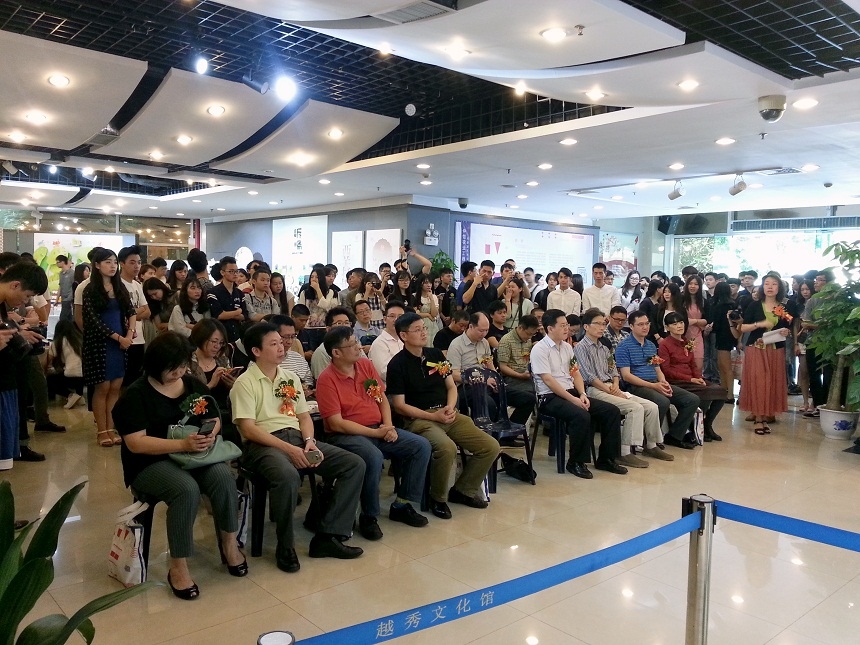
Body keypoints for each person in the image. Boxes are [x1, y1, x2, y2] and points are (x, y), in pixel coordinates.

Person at [113, 332, 246, 599]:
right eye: (172, 368)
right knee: (186, 490)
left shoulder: (193, 385)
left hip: (193, 454)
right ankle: (178, 565)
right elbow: (136, 443)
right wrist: (182, 444)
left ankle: (229, 544)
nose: (179, 372)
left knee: (223, 476)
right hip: (150, 462)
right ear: (155, 366)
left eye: (183, 366)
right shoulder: (136, 395)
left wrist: (209, 434)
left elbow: (213, 418)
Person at [231, 323, 365, 573]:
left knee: (353, 464)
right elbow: (248, 429)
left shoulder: (289, 377)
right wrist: (290, 450)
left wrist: (309, 441)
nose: (282, 347)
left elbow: (304, 417)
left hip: (298, 439)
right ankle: (286, 546)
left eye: (281, 342)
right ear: (256, 351)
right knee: (288, 476)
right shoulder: (245, 383)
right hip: (263, 444)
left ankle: (328, 535)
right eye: (273, 344)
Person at [317, 326, 431, 540]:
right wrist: (378, 433)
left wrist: (388, 426)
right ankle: (369, 516)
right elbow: (336, 423)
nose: (358, 347)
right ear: (336, 352)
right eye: (352, 344)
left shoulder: (365, 365)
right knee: (373, 456)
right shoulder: (326, 379)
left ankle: (402, 504)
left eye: (356, 342)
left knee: (420, 446)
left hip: (377, 428)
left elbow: (381, 399)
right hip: (347, 435)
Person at [387, 312, 500, 519]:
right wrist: (434, 417)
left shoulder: (435, 355)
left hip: (447, 413)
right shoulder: (397, 364)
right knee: (446, 448)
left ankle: (463, 490)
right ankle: (437, 498)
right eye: (417, 330)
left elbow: (451, 386)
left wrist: (449, 407)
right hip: (420, 420)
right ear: (403, 335)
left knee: (490, 446)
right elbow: (400, 406)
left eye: (424, 328)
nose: (424, 332)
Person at [530, 309, 626, 478]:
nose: (566, 328)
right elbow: (548, 381)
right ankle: (576, 462)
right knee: (581, 415)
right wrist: (574, 400)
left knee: (611, 411)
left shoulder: (567, 347)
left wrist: (582, 394)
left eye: (567, 325)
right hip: (549, 397)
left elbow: (576, 373)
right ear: (550, 328)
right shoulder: (539, 349)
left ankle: (606, 459)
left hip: (572, 392)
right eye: (562, 325)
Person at [576, 308, 672, 466]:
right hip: (595, 390)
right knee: (635, 408)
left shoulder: (604, 347)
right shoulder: (581, 348)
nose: (602, 327)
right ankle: (624, 452)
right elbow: (588, 376)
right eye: (597, 324)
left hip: (612, 387)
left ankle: (651, 445)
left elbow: (614, 370)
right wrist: (610, 390)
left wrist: (615, 385)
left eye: (603, 324)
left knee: (652, 407)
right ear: (586, 327)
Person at [615, 310, 700, 450]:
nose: (645, 327)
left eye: (647, 323)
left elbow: (658, 369)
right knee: (662, 401)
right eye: (640, 324)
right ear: (631, 326)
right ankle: (650, 440)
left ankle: (675, 436)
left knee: (692, 399)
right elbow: (626, 376)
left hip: (655, 383)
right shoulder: (624, 346)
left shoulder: (650, 345)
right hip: (636, 386)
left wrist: (663, 382)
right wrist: (654, 386)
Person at [82, 248, 136, 447]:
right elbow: (94, 322)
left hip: (121, 342)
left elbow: (131, 312)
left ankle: (111, 429)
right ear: (97, 265)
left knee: (115, 387)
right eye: (107, 262)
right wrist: (119, 338)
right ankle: (101, 431)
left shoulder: (120, 287)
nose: (112, 266)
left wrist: (129, 334)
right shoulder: (90, 290)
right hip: (99, 343)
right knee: (102, 387)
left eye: (114, 262)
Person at [0, 261, 49, 469]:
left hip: (7, 379)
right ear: (15, 285)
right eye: (27, 296)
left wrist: (19, 333)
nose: (26, 301)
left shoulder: (4, 307)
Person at [736, 273, 791, 434]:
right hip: (756, 348)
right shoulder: (754, 305)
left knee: (772, 382)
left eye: (774, 284)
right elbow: (742, 327)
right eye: (767, 283)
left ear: (779, 288)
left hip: (775, 349)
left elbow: (788, 324)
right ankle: (759, 418)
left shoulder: (783, 307)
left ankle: (767, 414)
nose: (770, 287)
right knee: (759, 382)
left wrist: (786, 331)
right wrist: (759, 324)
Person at [658, 311, 726, 441]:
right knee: (706, 392)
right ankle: (696, 426)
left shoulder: (686, 341)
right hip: (677, 380)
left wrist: (698, 378)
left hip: (692, 379)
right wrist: (691, 379)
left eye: (681, 322)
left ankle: (707, 424)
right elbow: (666, 370)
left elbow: (693, 364)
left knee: (722, 392)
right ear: (667, 327)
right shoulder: (664, 344)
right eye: (674, 324)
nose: (679, 326)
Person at [496, 314, 539, 425]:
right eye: (529, 334)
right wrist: (520, 375)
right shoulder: (506, 341)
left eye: (533, 334)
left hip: (526, 375)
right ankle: (515, 425)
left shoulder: (527, 340)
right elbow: (503, 367)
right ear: (520, 328)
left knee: (545, 389)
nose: (530, 337)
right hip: (512, 378)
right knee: (532, 394)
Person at [118, 245, 149, 384]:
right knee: (122, 381)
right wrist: (137, 311)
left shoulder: (137, 285)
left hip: (139, 339)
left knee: (136, 379)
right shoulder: (117, 285)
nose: (137, 266)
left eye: (139, 262)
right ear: (122, 263)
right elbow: (121, 314)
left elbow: (147, 311)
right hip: (124, 338)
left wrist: (131, 313)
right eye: (132, 262)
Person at [710, 282, 742, 404]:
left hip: (722, 337)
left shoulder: (718, 306)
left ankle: (729, 394)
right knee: (723, 365)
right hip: (730, 335)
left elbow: (716, 324)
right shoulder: (733, 304)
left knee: (725, 367)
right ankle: (725, 391)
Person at [270, 315, 314, 398]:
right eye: (286, 337)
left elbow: (309, 381)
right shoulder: (263, 360)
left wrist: (305, 388)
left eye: (293, 336)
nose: (290, 341)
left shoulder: (298, 358)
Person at [207, 256, 248, 343]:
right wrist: (237, 312)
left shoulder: (240, 293)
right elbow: (219, 315)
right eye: (231, 271)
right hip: (220, 335)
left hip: (237, 335)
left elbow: (244, 316)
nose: (235, 274)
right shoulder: (213, 292)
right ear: (222, 272)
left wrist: (228, 314)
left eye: (236, 271)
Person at [49, 319, 85, 409]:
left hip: (71, 376)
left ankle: (70, 395)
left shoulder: (58, 342)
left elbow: (48, 360)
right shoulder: (80, 340)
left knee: (49, 380)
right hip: (85, 376)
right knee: (78, 368)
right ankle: (80, 395)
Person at [310, 307, 354, 379]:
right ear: (328, 329)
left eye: (347, 323)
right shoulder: (321, 352)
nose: (344, 327)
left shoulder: (355, 345)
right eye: (339, 323)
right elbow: (323, 381)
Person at [369, 301, 405, 384]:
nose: (396, 320)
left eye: (400, 316)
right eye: (392, 316)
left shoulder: (405, 339)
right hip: (390, 388)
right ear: (385, 319)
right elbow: (384, 373)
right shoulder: (379, 343)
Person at [794, 279, 816, 414]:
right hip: (802, 340)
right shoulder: (799, 306)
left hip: (815, 340)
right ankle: (805, 401)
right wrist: (795, 343)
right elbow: (796, 325)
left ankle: (815, 402)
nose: (805, 292)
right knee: (803, 371)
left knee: (814, 372)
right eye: (802, 290)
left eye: (807, 289)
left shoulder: (817, 303)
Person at [298, 266, 339, 331]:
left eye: (317, 277)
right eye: (312, 277)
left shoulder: (330, 292)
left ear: (322, 279)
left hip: (325, 328)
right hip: (308, 328)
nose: (314, 279)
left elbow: (326, 307)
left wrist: (318, 289)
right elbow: (301, 310)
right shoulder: (304, 293)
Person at [682, 275, 708, 372]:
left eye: (696, 284)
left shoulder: (704, 302)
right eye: (690, 284)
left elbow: (706, 320)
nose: (693, 286)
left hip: (697, 335)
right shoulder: (681, 300)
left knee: (698, 365)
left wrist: (694, 321)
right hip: (682, 335)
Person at [412, 273, 440, 346]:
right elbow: (416, 314)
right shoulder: (414, 296)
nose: (429, 285)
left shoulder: (434, 297)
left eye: (430, 283)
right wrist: (427, 315)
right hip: (420, 325)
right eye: (426, 283)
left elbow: (434, 314)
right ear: (421, 284)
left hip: (432, 326)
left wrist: (431, 299)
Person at [56, 254, 74, 322]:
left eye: (58, 262)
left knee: (63, 317)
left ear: (63, 262)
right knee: (69, 317)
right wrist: (57, 299)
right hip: (63, 298)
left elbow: (73, 285)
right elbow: (60, 286)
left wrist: (71, 296)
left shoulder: (72, 273)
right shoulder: (61, 273)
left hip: (69, 298)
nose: (57, 264)